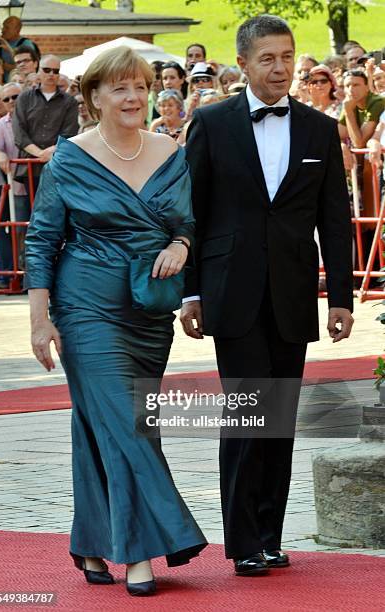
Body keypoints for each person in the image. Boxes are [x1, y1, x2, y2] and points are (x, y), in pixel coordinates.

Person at [24, 45, 207, 597]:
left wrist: (179, 242)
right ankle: (142, 552)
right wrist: (39, 321)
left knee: (108, 425)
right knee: (126, 426)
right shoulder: (70, 159)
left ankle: (90, 540)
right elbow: (41, 239)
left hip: (148, 311)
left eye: (141, 87)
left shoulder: (170, 151)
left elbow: (188, 222)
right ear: (95, 97)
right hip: (85, 308)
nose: (133, 97)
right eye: (121, 88)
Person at [181, 14, 354, 576]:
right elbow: (193, 214)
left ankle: (270, 536)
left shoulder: (320, 129)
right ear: (245, 63)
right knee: (247, 414)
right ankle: (243, 541)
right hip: (231, 291)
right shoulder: (210, 123)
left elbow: (334, 220)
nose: (280, 69)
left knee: (278, 419)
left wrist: (342, 299)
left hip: (293, 292)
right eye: (267, 59)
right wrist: (190, 293)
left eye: (287, 57)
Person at [12, 54, 78, 195]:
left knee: (56, 211)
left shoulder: (69, 102)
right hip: (29, 167)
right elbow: (19, 131)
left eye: (55, 71)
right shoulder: (24, 98)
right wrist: (40, 154)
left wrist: (50, 152)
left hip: (58, 165)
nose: (51, 74)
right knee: (33, 211)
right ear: (39, 71)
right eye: (47, 70)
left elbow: (70, 133)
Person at [0, 82, 29, 280]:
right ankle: (23, 273)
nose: (11, 102)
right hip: (19, 187)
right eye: (7, 99)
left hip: (45, 184)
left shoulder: (35, 117)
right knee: (21, 229)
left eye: (15, 96)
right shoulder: (1, 125)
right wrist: (0, 155)